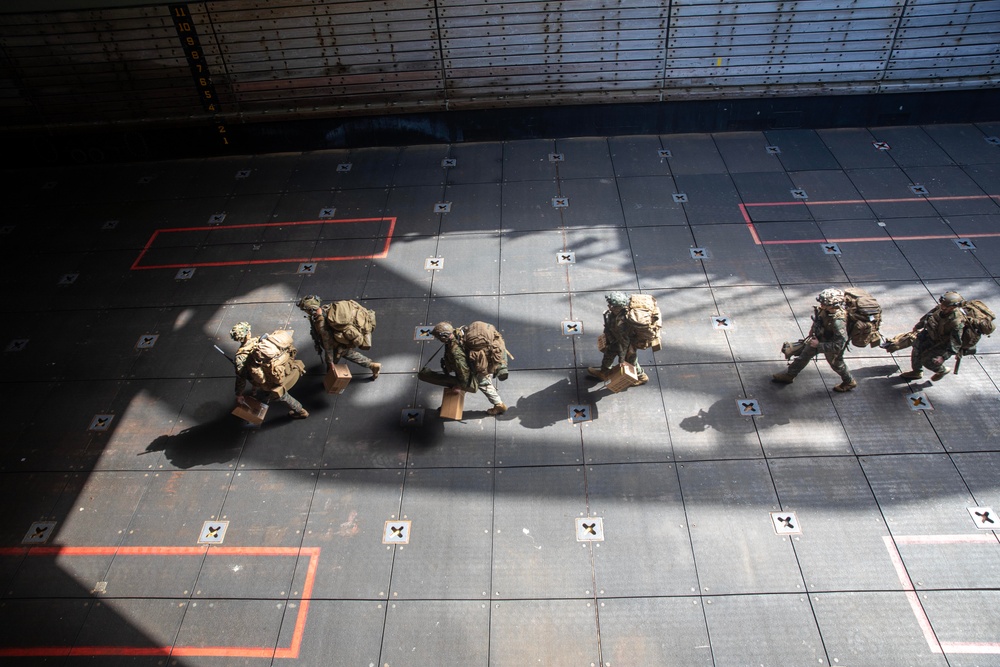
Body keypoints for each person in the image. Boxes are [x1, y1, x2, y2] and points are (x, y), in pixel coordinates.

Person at [772, 288, 857, 392]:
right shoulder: (826, 310)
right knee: (804, 356)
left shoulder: (838, 322)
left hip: (829, 345)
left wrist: (818, 345)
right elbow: (819, 320)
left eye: (824, 303)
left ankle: (849, 382)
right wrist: (813, 331)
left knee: (837, 365)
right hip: (819, 339)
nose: (821, 305)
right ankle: (789, 375)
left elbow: (839, 345)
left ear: (833, 304)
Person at [230, 321, 309, 419]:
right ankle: (256, 393)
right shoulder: (263, 341)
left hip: (270, 382)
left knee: (282, 396)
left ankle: (301, 411)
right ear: (248, 333)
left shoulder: (240, 357)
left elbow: (241, 378)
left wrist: (239, 394)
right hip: (284, 369)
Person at [431, 321, 508, 416]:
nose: (439, 340)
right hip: (475, 364)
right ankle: (449, 406)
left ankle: (499, 405)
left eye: (439, 338)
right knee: (481, 384)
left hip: (475, 369)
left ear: (444, 336)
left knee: (484, 385)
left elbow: (464, 373)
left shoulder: (456, 352)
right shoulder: (458, 332)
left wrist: (460, 386)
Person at [296, 295, 381, 380]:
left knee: (336, 361)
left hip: (336, 344)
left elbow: (327, 343)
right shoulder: (326, 309)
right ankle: (372, 366)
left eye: (305, 310)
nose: (305, 312)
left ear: (311, 310)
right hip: (339, 338)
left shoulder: (320, 322)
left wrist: (330, 361)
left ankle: (330, 379)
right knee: (349, 354)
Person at [898, 291, 966, 381]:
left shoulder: (956, 322)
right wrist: (918, 326)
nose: (942, 306)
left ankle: (942, 370)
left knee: (928, 361)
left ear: (952, 307)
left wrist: (943, 357)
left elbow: (956, 343)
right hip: (930, 335)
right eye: (942, 304)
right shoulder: (940, 308)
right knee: (916, 350)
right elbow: (928, 316)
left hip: (942, 343)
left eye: (945, 306)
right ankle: (917, 372)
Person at [587, 291, 650, 385]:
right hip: (616, 341)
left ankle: (641, 377)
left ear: (619, 307)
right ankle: (604, 373)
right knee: (608, 354)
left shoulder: (622, 323)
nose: (609, 306)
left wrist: (622, 360)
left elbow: (625, 342)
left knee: (631, 362)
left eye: (612, 305)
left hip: (626, 346)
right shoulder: (616, 313)